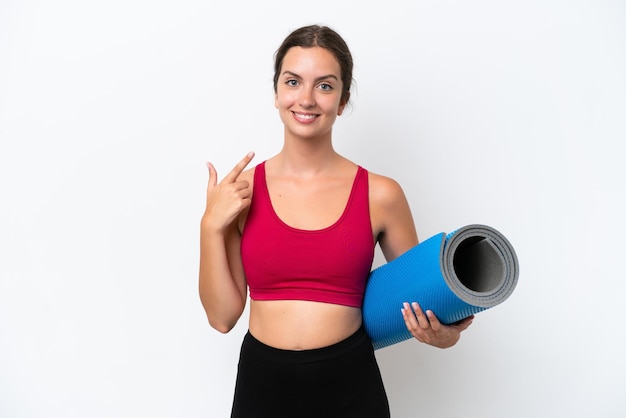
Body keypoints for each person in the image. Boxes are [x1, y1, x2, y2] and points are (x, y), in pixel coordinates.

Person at [199, 24, 473, 418]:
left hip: (350, 383)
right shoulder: (240, 192)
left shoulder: (381, 194)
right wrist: (210, 226)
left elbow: (425, 295)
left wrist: (446, 336)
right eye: (293, 82)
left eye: (325, 86)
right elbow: (222, 318)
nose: (306, 99)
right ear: (276, 92)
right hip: (262, 384)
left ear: (343, 100)